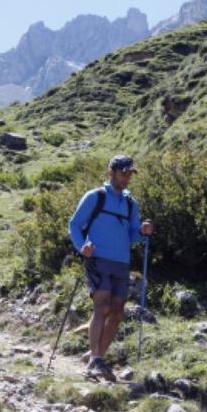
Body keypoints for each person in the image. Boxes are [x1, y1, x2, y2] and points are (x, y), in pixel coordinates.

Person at [68, 155, 154, 381]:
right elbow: (74, 224)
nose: (127, 178)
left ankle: (97, 357)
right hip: (97, 258)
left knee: (117, 312)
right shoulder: (95, 196)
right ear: (111, 173)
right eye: (123, 173)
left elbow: (132, 235)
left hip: (121, 263)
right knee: (102, 306)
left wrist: (142, 231)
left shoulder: (130, 203)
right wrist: (82, 246)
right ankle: (95, 360)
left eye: (130, 174)